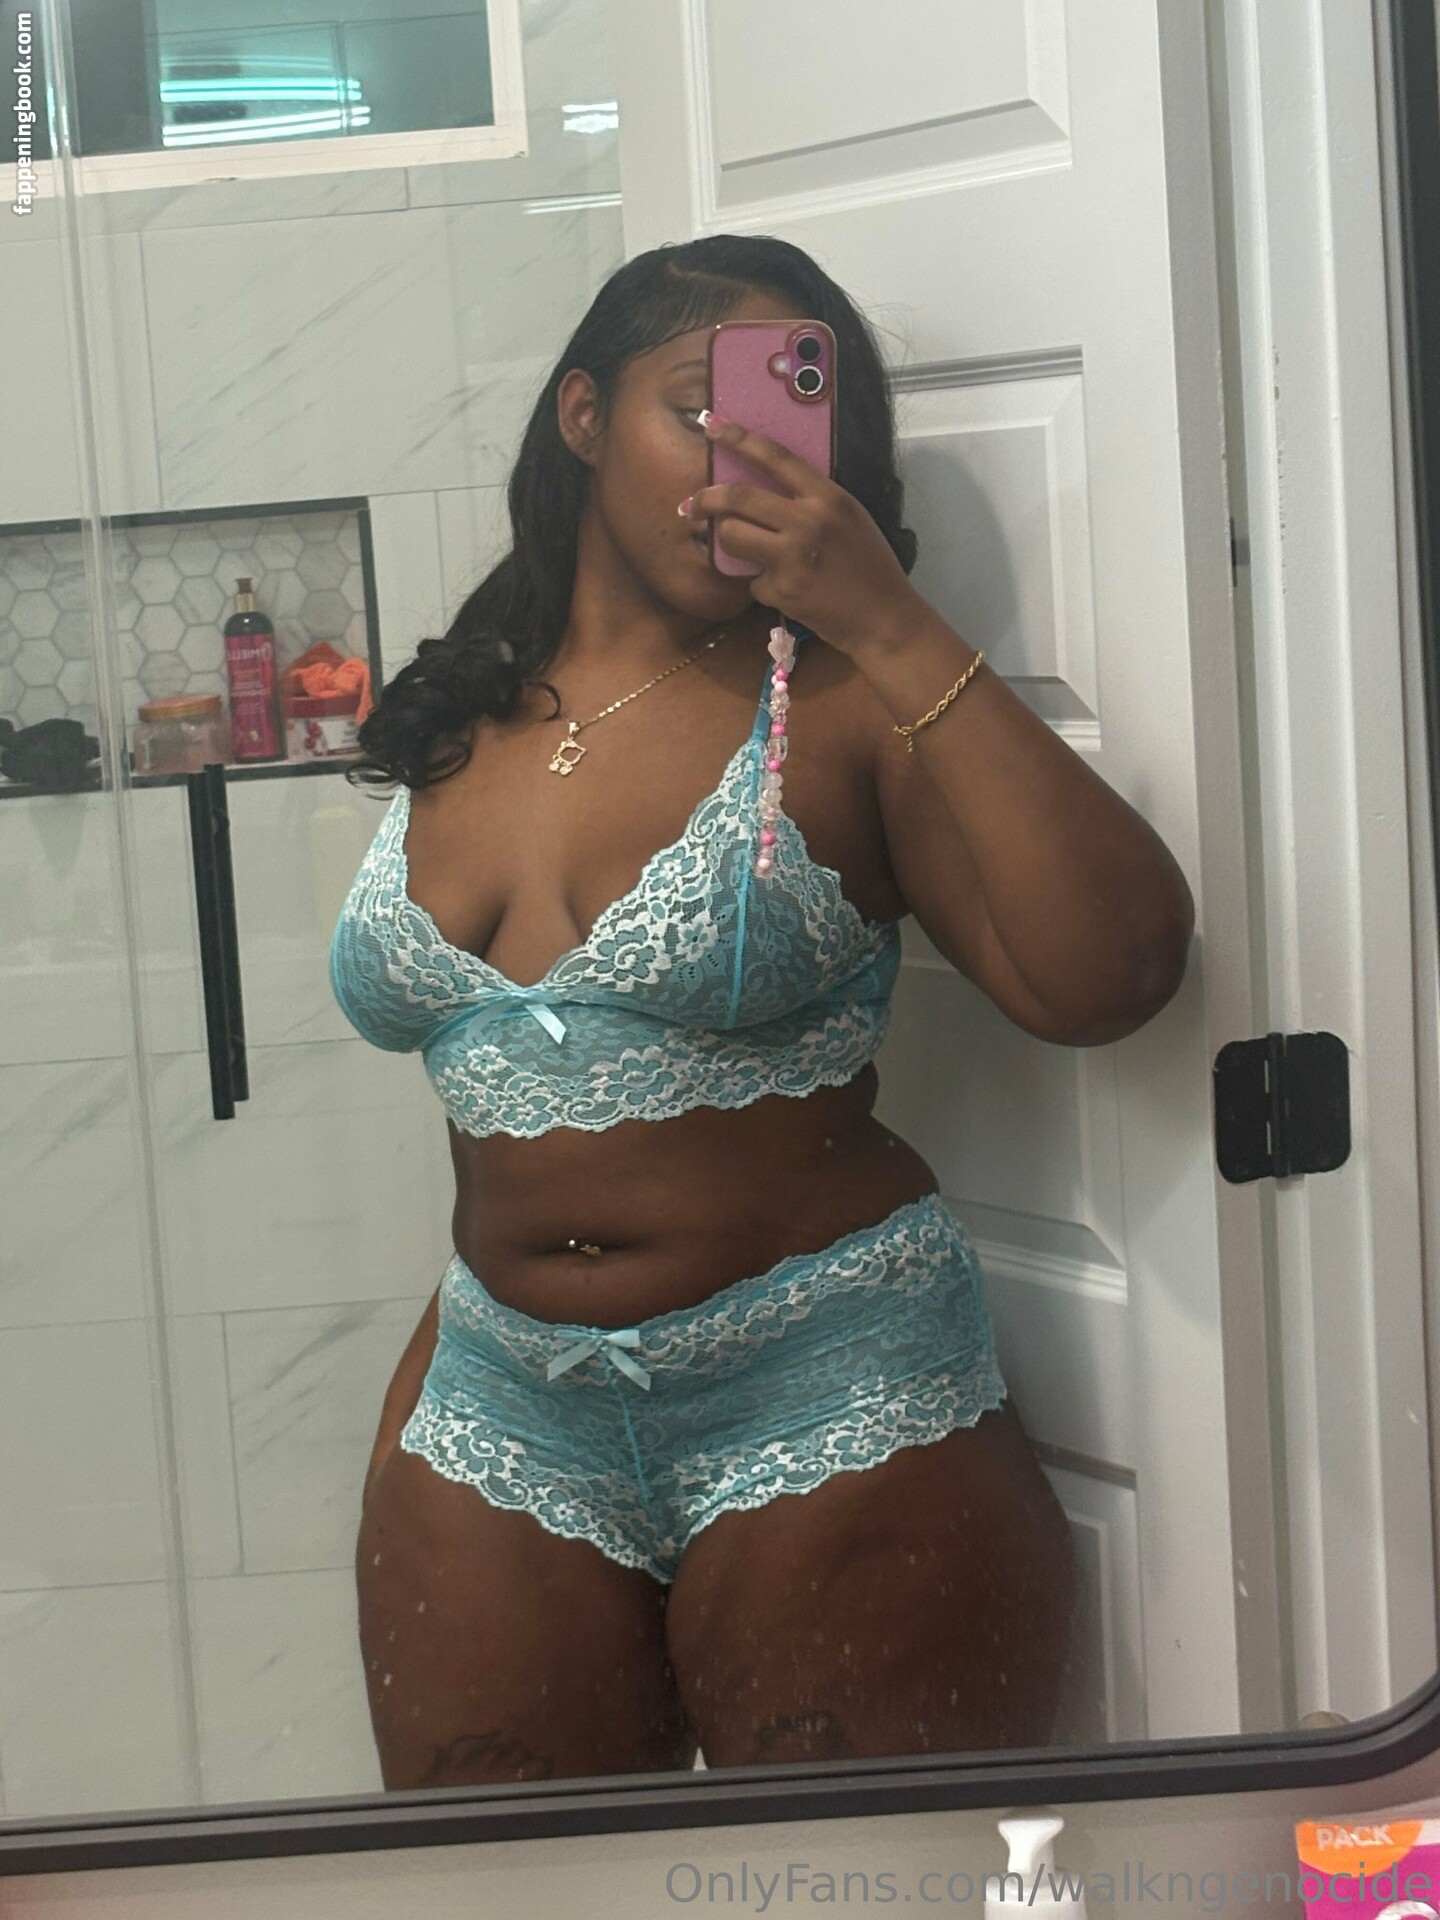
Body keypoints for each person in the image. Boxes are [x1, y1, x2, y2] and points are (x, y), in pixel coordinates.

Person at [331, 234, 1193, 1789]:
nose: (747, 465)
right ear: (582, 417)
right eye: (698, 411)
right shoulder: (469, 709)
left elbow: (1111, 974)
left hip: (832, 1397)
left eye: (793, 427)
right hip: (501, 1408)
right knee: (503, 1892)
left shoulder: (845, 700)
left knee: (853, 1890)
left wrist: (895, 623)